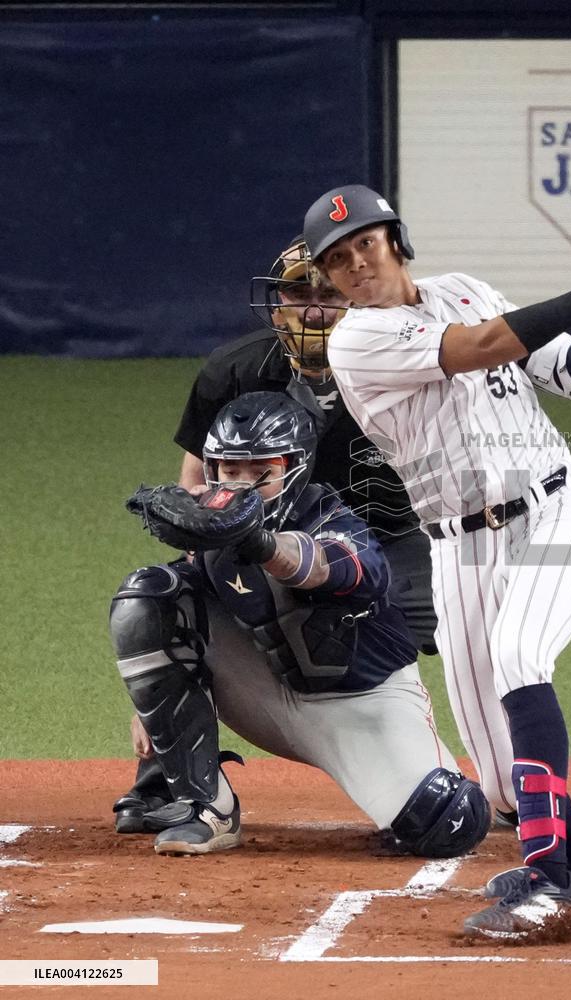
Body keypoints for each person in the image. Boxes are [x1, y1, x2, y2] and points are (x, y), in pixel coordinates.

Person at [301, 184, 571, 938]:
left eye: (365, 246)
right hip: (458, 546)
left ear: (395, 241)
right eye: (337, 261)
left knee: (516, 658)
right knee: (504, 784)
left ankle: (546, 883)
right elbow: (481, 348)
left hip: (556, 512)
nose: (355, 266)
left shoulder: (466, 289)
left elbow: (565, 376)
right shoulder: (355, 342)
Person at [112, 238, 442, 834]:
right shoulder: (234, 370)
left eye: (329, 293)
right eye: (298, 292)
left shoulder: (403, 364)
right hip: (270, 532)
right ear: (275, 301)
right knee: (173, 604)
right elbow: (198, 484)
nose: (313, 308)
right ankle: (172, 776)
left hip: (393, 534)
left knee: (471, 638)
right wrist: (201, 571)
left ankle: (502, 778)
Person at [109, 391, 489, 857]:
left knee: (448, 819)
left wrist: (255, 540)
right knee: (148, 595)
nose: (241, 485)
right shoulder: (211, 539)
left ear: (294, 467)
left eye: (260, 471)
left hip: (363, 707)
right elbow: (169, 626)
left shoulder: (337, 521)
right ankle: (206, 805)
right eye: (229, 470)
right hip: (269, 697)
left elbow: (317, 568)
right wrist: (154, 707)